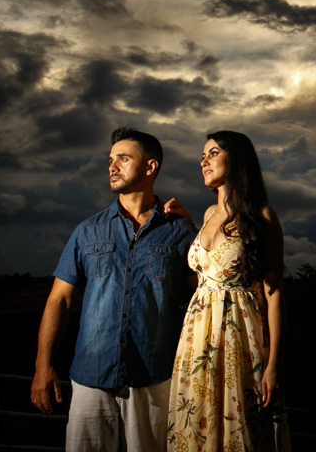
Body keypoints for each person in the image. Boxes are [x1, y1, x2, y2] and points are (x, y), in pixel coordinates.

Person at [32, 127, 197, 451]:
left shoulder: (180, 232)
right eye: (110, 160)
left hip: (154, 378)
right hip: (90, 376)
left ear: (150, 167)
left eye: (123, 159)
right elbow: (59, 300)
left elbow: (202, 300)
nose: (112, 166)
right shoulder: (88, 231)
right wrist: (42, 365)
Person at [167, 130, 288, 451]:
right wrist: (187, 222)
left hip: (240, 334)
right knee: (196, 422)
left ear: (236, 159)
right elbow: (210, 270)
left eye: (213, 153)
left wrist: (273, 365)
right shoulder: (208, 214)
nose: (203, 161)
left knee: (240, 426)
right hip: (197, 336)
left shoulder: (262, 215)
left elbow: (275, 292)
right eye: (202, 155)